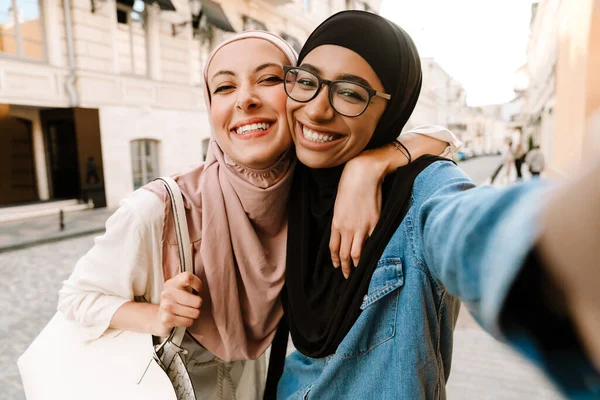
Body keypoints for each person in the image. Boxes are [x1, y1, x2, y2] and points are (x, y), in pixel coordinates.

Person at [57, 31, 456, 399]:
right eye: (224, 87)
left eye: (268, 80)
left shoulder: (309, 189)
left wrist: (367, 166)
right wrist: (157, 315)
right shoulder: (158, 208)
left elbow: (443, 139)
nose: (244, 99)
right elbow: (77, 298)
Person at [273, 11, 599, 399]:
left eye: (350, 93)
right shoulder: (286, 184)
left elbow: (472, 229)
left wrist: (561, 243)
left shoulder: (421, 190)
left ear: (391, 110)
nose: (316, 109)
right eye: (307, 81)